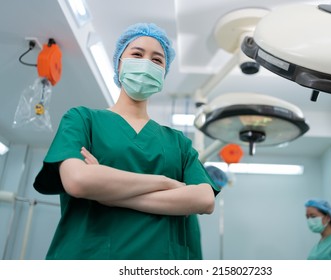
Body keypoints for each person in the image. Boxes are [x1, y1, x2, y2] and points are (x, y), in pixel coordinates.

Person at [33, 23, 220, 260]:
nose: (146, 64)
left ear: (164, 72)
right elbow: (78, 181)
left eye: (157, 60)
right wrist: (165, 182)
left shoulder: (179, 143)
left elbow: (204, 199)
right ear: (119, 63)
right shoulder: (82, 119)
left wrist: (105, 191)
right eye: (137, 54)